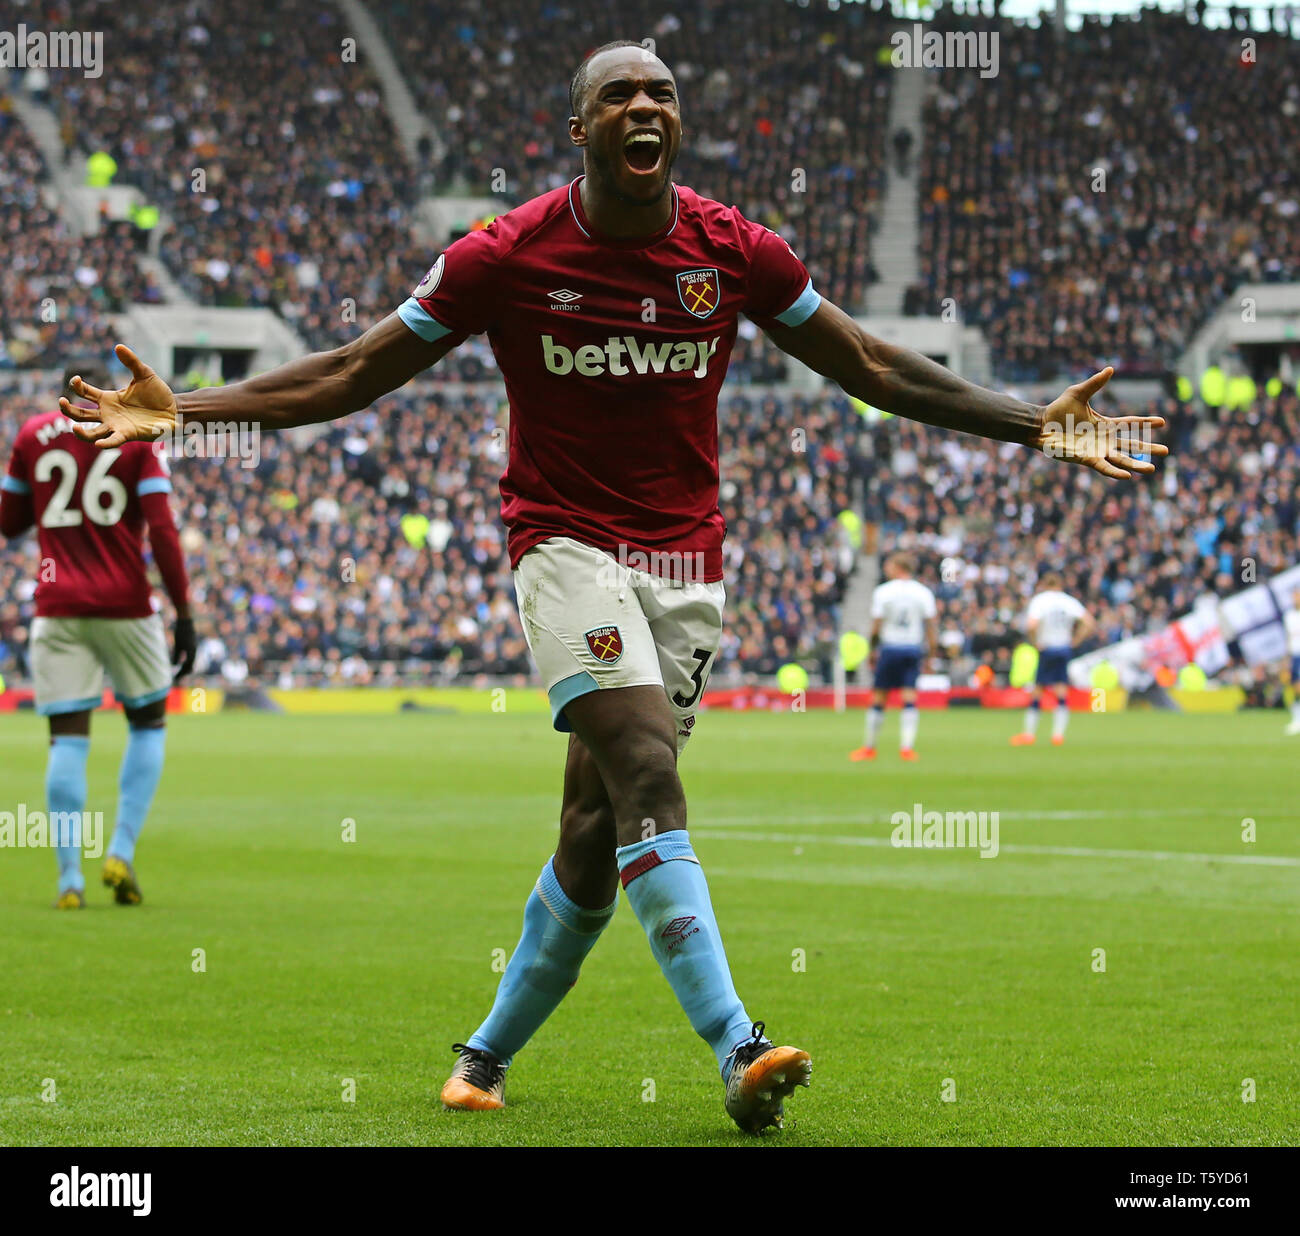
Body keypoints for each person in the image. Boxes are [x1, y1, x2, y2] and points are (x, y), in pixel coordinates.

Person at [59, 41, 1166, 1133]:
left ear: (677, 124)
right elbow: (354, 369)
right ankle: (738, 1046)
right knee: (645, 762)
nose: (645, 106)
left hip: (686, 567)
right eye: (619, 94)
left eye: (663, 93)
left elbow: (870, 367)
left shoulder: (733, 252)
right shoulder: (502, 255)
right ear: (581, 129)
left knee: (596, 828)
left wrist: (1031, 424)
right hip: (561, 546)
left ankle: (483, 1057)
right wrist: (188, 413)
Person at [1, 361, 196, 908]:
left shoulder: (31, 436)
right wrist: (184, 612)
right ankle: (122, 852)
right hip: (126, 604)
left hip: (57, 604)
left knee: (67, 737)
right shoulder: (136, 436)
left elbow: (9, 521)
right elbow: (160, 527)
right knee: (149, 720)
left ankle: (69, 881)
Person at [850, 552, 936, 762]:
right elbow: (931, 626)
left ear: (898, 567)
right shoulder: (923, 592)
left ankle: (869, 747)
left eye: (889, 565)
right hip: (912, 648)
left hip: (890, 648)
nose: (886, 569)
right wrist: (931, 654)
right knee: (909, 697)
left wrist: (872, 650)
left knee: (879, 697)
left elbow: (876, 626)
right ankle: (906, 748)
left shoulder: (884, 592)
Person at [1009, 573, 1094, 747]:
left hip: (1047, 648)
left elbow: (1031, 625)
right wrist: (1076, 640)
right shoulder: (1068, 601)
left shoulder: (1041, 600)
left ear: (1044, 584)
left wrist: (1035, 642)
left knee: (1038, 690)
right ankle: (1057, 735)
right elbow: (1089, 622)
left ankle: (1029, 734)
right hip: (1063, 648)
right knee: (1061, 690)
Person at [1284, 589, 1300, 737]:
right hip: (1295, 655)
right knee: (1295, 687)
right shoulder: (1289, 616)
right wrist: (1287, 659)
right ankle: (1296, 719)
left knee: (1298, 687)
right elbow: (1289, 638)